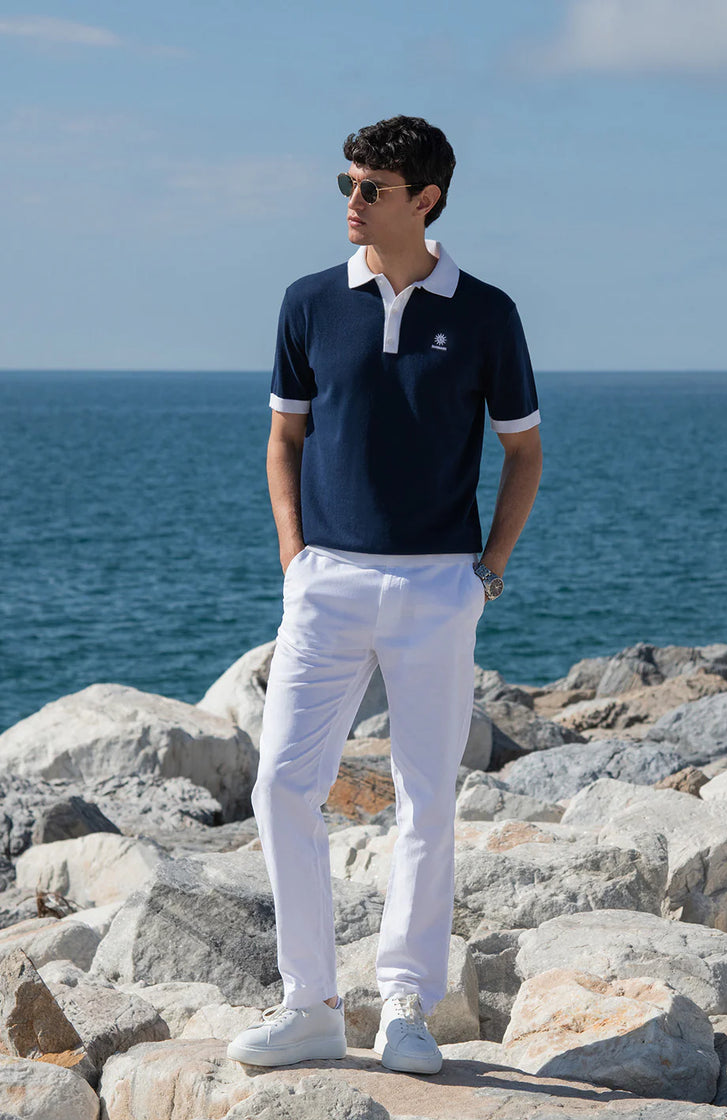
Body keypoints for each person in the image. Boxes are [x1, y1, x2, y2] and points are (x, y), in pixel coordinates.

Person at [227, 115, 542, 1075]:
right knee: (282, 783)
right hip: (325, 583)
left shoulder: (485, 312)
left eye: (371, 188)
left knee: (424, 801)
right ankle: (311, 1003)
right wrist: (295, 561)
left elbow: (523, 452)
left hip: (439, 587)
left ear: (425, 200)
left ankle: (405, 1006)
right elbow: (286, 439)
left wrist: (485, 575)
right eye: (348, 184)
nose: (352, 202)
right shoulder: (310, 302)